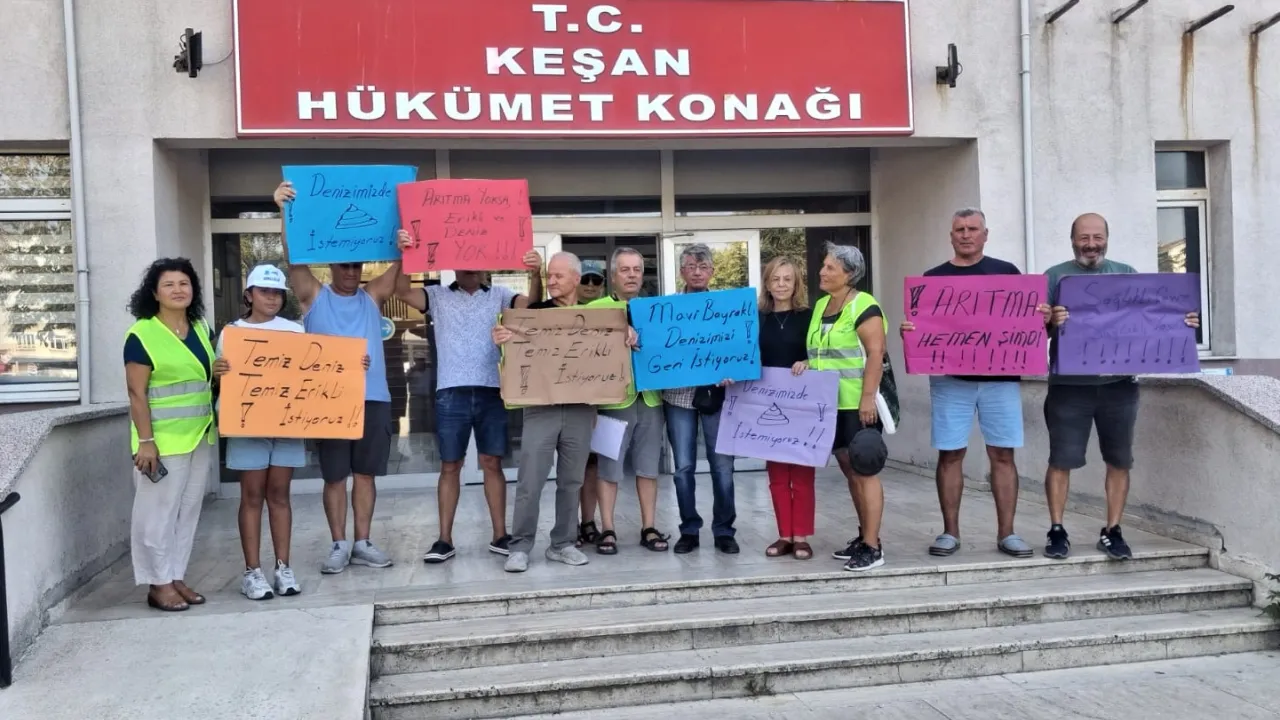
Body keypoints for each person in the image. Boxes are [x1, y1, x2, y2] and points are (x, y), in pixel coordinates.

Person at [1043, 213, 1199, 560]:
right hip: (1069, 386)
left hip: (1119, 386)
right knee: (1060, 460)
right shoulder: (1054, 276)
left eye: (1097, 237)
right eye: (1084, 237)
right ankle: (1057, 530)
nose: (1091, 244)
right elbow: (1034, 329)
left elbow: (1151, 319)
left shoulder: (1127, 274)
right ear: (1072, 240)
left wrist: (1182, 322)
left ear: (1107, 238)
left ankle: (1112, 530)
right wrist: (1051, 320)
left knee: (1119, 460)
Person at [899, 209, 1050, 559]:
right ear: (951, 235)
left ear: (986, 234)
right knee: (950, 453)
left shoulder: (1007, 273)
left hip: (1000, 381)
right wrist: (912, 332)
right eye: (959, 229)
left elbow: (1031, 326)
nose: (966, 234)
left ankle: (1007, 534)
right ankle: (950, 533)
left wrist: (1041, 318)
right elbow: (922, 327)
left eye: (972, 229)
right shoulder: (933, 279)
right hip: (951, 381)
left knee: (1003, 454)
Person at [214, 265, 367, 599]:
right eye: (264, 291)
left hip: (286, 425)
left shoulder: (296, 330)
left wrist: (354, 364)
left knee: (280, 494)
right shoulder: (232, 333)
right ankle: (252, 571)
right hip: (248, 425)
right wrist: (217, 371)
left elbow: (320, 369)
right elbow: (219, 379)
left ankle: (283, 568)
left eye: (277, 293)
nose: (271, 298)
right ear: (249, 295)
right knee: (251, 496)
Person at [394, 231, 543, 563]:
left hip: (492, 390)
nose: (470, 266)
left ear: (486, 265)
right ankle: (444, 540)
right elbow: (401, 291)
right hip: (451, 392)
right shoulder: (437, 295)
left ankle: (500, 535)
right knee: (450, 465)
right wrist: (405, 254)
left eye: (477, 260)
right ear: (453, 263)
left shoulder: (501, 295)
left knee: (492, 463)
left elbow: (531, 308)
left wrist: (536, 274)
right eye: (464, 260)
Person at [274, 181, 398, 574]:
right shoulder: (314, 295)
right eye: (345, 265)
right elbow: (293, 259)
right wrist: (283, 210)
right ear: (331, 266)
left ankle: (362, 542)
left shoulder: (372, 296)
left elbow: (402, 265)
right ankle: (339, 545)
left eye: (357, 266)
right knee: (334, 477)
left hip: (373, 398)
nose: (351, 271)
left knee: (365, 475)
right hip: (328, 402)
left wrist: (408, 237)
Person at [492, 252, 597, 572]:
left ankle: (563, 544)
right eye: (549, 275)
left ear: (576, 279)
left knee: (572, 480)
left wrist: (628, 334)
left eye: (558, 276)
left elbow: (614, 345)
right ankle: (520, 546)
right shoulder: (534, 313)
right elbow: (510, 344)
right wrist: (501, 338)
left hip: (580, 409)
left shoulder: (596, 316)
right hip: (541, 408)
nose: (551, 281)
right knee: (530, 480)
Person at [123, 258, 217, 612]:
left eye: (184, 283)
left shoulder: (200, 327)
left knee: (187, 510)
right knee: (156, 515)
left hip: (199, 435)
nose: (178, 290)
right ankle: (157, 583)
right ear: (154, 293)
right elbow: (136, 393)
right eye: (169, 284)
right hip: (160, 443)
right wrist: (146, 442)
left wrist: (220, 370)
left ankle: (175, 575)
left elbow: (203, 377)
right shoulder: (142, 334)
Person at [807, 243, 891, 572]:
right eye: (824, 265)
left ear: (850, 274)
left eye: (830, 267)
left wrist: (867, 398)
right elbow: (820, 353)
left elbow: (875, 353)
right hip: (829, 404)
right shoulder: (821, 305)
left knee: (864, 471)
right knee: (850, 471)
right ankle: (865, 535)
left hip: (857, 404)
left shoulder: (864, 305)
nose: (822, 272)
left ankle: (873, 547)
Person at [587, 247, 670, 554]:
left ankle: (649, 527)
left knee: (648, 468)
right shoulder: (595, 308)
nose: (632, 275)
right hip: (611, 402)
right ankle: (608, 528)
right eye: (625, 269)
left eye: (637, 269)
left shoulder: (657, 309)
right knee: (608, 468)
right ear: (613, 275)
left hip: (650, 400)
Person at [661, 244, 738, 555]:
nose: (696, 272)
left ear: (712, 272)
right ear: (682, 271)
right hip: (677, 396)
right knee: (683, 468)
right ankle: (689, 529)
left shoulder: (727, 308)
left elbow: (738, 346)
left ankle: (724, 530)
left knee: (723, 466)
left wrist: (733, 370)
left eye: (703, 267)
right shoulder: (665, 309)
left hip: (716, 395)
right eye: (691, 266)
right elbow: (655, 346)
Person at [757, 257, 816, 560]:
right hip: (768, 404)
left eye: (787, 279)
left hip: (803, 402)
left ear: (796, 284)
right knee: (778, 474)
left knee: (802, 472)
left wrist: (808, 362)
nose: (781, 285)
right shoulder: (757, 318)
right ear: (767, 284)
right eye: (775, 279)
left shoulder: (810, 316)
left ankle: (801, 536)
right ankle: (784, 536)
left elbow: (822, 352)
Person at [575, 259, 607, 546]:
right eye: (584, 279)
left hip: (602, 401)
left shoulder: (611, 313)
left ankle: (588, 522)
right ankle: (569, 524)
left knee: (593, 464)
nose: (589, 285)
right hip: (570, 401)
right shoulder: (561, 312)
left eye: (595, 280)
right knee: (571, 465)